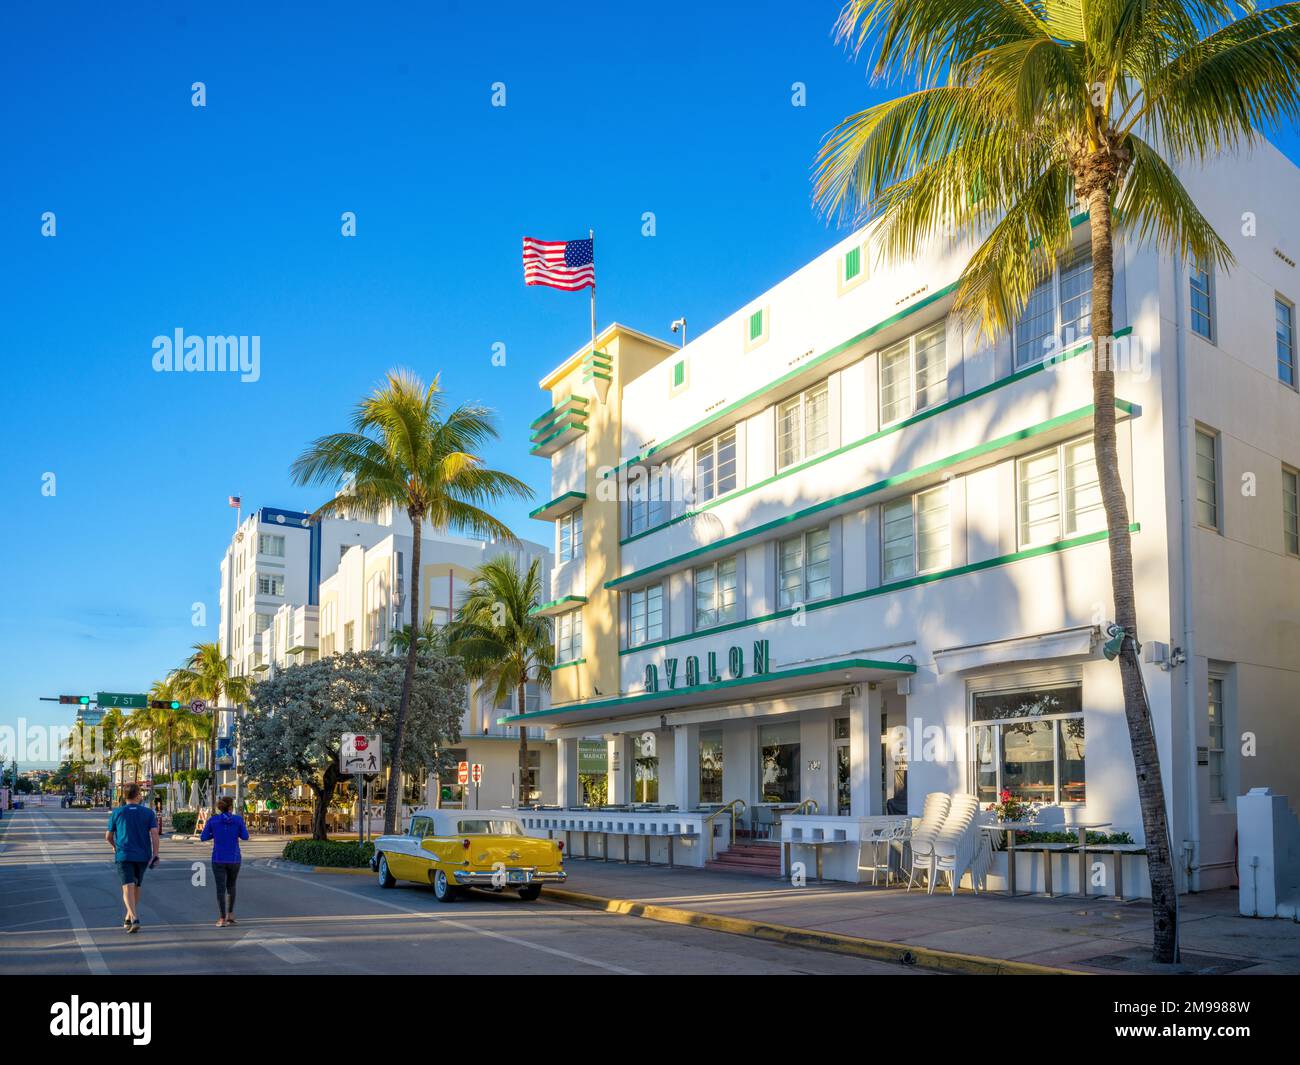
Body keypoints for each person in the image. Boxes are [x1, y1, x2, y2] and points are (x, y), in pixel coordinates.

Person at [105, 783, 160, 933]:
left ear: (124, 796)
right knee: (136, 886)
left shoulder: (118, 812)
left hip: (124, 854)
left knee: (127, 887)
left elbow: (108, 836)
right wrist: (155, 854)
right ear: (137, 796)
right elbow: (154, 834)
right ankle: (129, 917)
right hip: (143, 856)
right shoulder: (148, 813)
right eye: (140, 793)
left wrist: (115, 847)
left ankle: (134, 918)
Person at [200, 795, 249, 927]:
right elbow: (245, 836)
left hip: (218, 858)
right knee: (231, 886)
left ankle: (222, 918)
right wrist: (236, 832)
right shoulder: (238, 820)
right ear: (231, 807)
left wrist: (214, 834)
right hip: (234, 858)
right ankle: (231, 914)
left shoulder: (213, 820)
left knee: (220, 889)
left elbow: (203, 837)